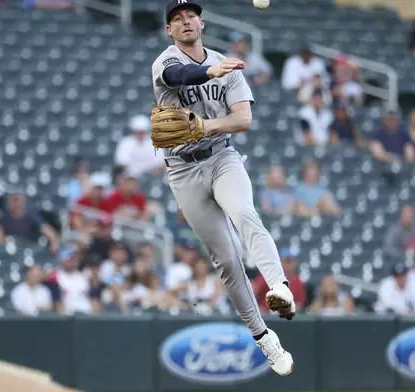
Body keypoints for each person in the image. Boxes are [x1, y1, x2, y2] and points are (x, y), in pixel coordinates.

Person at [150, 0, 295, 376]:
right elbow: (179, 76)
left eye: (190, 15)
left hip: (221, 158)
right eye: (177, 19)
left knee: (245, 211)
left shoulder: (227, 66)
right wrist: (209, 71)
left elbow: (243, 120)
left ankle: (279, 287)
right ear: (170, 30)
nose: (184, 22)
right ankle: (265, 339)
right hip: (182, 171)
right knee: (227, 260)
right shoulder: (165, 61)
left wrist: (206, 126)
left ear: (201, 21)